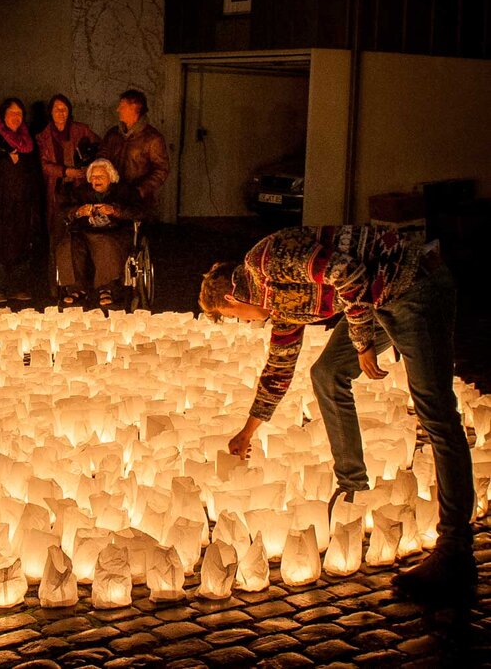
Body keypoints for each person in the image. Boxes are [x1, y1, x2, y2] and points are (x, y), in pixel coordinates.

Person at [198, 225, 476, 606]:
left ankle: (454, 549)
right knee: (326, 373)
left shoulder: (267, 262)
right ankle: (352, 489)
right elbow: (278, 367)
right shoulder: (281, 306)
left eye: (236, 318)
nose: (246, 324)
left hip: (411, 282)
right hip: (373, 300)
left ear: (232, 298)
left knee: (436, 411)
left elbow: (348, 273)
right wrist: (248, 432)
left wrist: (362, 342)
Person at [57, 158, 145, 308]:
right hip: (85, 231)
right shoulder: (80, 193)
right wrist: (78, 211)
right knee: (69, 243)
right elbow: (63, 211)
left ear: (111, 177)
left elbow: (140, 212)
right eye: (93, 176)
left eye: (100, 177)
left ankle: (107, 288)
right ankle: (76, 288)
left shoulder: (125, 191)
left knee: (104, 242)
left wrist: (115, 211)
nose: (96, 180)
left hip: (115, 232)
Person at [36, 94, 100, 298]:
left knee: (83, 237)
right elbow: (43, 165)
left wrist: (87, 169)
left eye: (64, 109)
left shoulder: (81, 130)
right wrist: (65, 171)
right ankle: (57, 287)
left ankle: (84, 285)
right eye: (57, 109)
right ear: (50, 112)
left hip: (80, 191)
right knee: (57, 237)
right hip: (58, 192)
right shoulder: (43, 136)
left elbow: (99, 149)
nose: (61, 113)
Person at [0, 97, 41, 303]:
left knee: (21, 243)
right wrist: (5, 159)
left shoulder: (28, 140)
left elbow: (33, 171)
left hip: (21, 201)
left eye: (19, 114)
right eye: (12, 113)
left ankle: (18, 287)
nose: (16, 117)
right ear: (3, 115)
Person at [98, 89, 169, 213]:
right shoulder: (113, 134)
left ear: (135, 108)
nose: (118, 109)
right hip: (112, 197)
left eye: (122, 106)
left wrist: (140, 191)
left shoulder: (152, 138)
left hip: (138, 203)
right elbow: (101, 158)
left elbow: (162, 169)